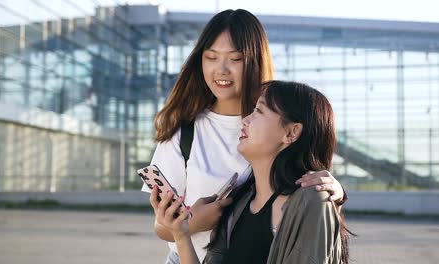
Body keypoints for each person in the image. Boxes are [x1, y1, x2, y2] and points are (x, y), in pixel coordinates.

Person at [142, 9, 347, 263]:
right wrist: (193, 222)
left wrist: (333, 191)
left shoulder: (271, 122)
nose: (221, 70)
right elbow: (163, 228)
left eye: (235, 58)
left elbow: (305, 176)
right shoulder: (184, 131)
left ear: (254, 61)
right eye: (211, 57)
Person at [152, 80, 351, 264]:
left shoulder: (311, 201)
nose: (245, 120)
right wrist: (181, 233)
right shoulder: (239, 201)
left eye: (259, 111)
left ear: (291, 132)